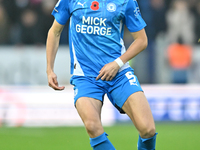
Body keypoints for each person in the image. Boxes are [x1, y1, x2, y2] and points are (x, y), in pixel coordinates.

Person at [46, 0, 157, 149]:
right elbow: (55, 31)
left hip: (119, 73)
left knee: (148, 129)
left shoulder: (126, 2)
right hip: (85, 76)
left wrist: (117, 63)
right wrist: (49, 69)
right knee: (92, 126)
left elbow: (142, 40)